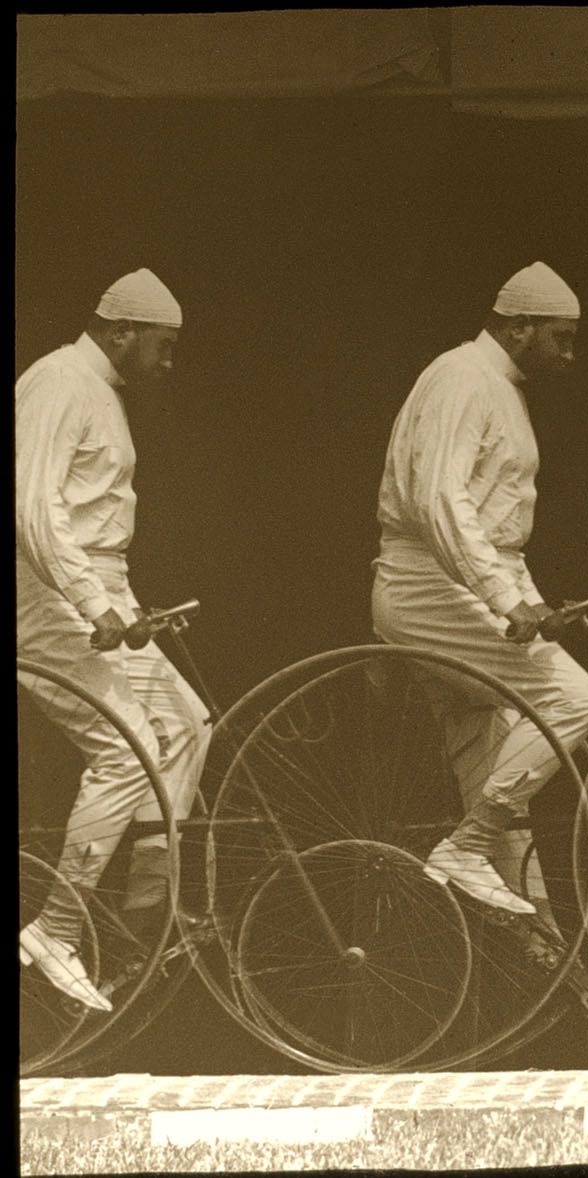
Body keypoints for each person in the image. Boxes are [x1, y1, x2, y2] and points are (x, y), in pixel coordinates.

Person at [374, 261, 588, 916]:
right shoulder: (461, 378)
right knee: (574, 699)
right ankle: (464, 849)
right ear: (519, 326)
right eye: (559, 337)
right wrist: (507, 600)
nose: (568, 353)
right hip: (428, 586)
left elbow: (487, 517)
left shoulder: (499, 386)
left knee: (504, 783)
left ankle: (538, 948)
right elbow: (440, 500)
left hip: (462, 582)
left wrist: (523, 595)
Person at [16, 269, 211, 1010]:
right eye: (161, 348)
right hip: (48, 593)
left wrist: (113, 601)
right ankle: (54, 930)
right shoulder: (57, 382)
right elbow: (34, 509)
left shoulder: (99, 394)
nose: (168, 364)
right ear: (120, 332)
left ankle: (145, 911)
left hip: (98, 592)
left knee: (186, 724)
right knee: (125, 743)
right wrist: (93, 600)